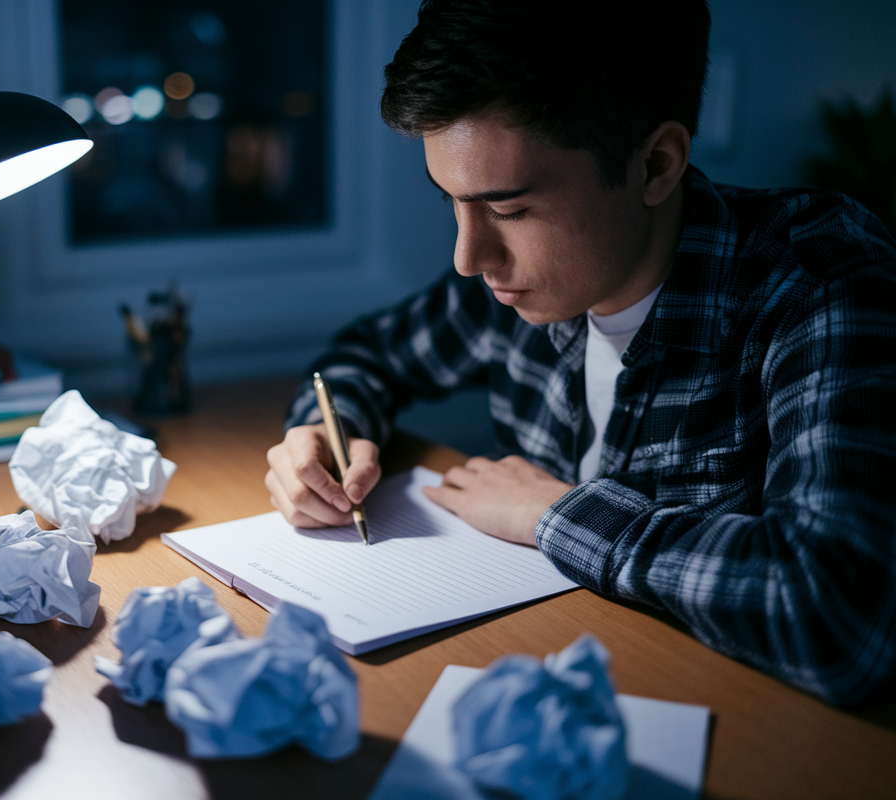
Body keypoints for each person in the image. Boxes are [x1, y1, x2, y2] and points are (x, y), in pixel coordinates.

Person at [265, 0, 896, 706]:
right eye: (452, 201)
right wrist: (324, 431)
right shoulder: (511, 282)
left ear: (655, 163)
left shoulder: (820, 285)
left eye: (508, 211)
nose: (469, 258)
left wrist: (553, 515)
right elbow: (368, 355)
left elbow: (839, 618)